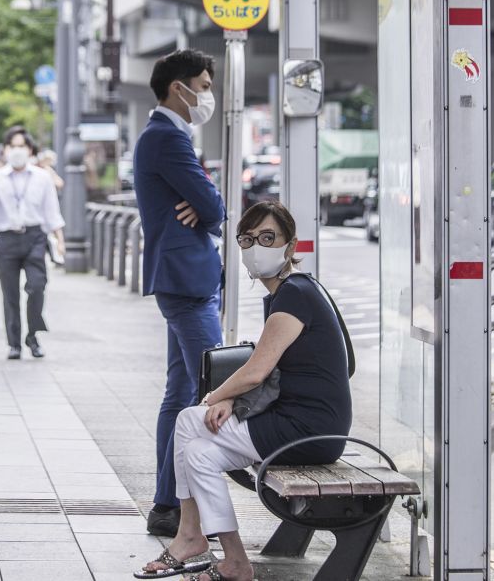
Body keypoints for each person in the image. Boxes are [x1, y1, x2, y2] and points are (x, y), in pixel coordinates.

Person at [136, 201, 352, 581]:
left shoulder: (295, 294)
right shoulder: (289, 292)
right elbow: (269, 371)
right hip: (305, 423)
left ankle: (191, 535)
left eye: (268, 238)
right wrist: (232, 398)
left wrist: (216, 397)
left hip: (310, 428)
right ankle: (233, 560)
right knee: (200, 453)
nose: (257, 247)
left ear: (291, 244)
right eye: (248, 239)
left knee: (190, 419)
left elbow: (256, 371)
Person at [133, 48, 226, 537]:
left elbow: (207, 201)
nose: (208, 95)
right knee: (214, 388)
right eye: (205, 86)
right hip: (186, 283)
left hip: (184, 278)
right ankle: (186, 508)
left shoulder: (168, 136)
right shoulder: (166, 138)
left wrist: (205, 202)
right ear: (180, 88)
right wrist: (206, 204)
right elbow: (213, 205)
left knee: (180, 393)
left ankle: (167, 504)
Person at [0, 126, 66, 360]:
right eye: (13, 146)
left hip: (35, 238)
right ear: (6, 149)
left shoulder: (42, 178)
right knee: (10, 295)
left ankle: (33, 335)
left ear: (30, 150)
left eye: (22, 146)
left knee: (37, 286)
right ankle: (14, 343)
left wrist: (60, 240)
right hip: (6, 240)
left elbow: (52, 212)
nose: (17, 150)